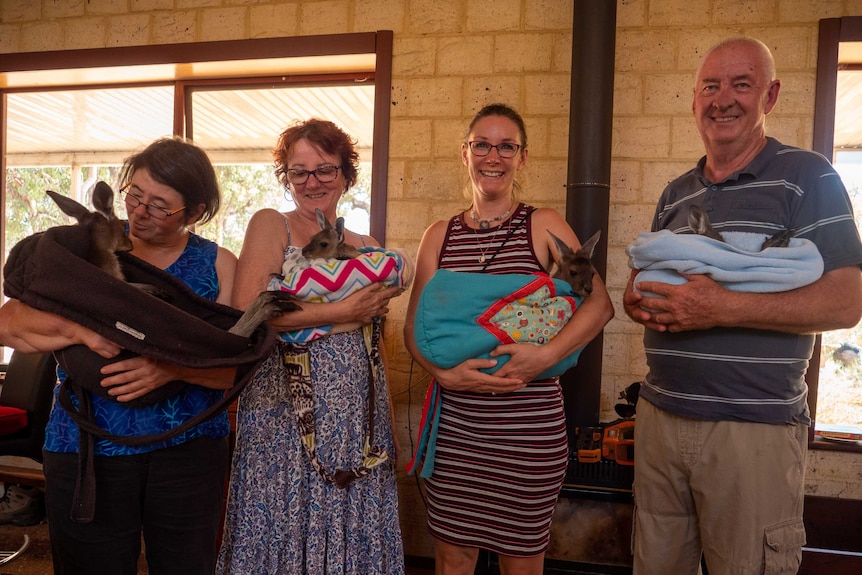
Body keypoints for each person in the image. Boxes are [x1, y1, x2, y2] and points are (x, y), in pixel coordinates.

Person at [623, 37, 862, 575]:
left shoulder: (808, 176)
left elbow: (847, 302)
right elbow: (643, 281)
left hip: (751, 427)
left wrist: (720, 307)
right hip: (659, 416)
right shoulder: (676, 193)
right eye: (711, 86)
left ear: (770, 96)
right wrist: (639, 299)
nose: (723, 99)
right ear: (694, 100)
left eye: (741, 84)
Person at [0, 136, 241, 574]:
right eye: (135, 195)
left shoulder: (219, 265)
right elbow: (9, 323)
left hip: (187, 449)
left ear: (195, 210)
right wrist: (83, 331)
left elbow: (236, 369)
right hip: (87, 446)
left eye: (160, 205)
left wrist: (168, 368)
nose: (139, 212)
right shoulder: (84, 247)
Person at [403, 103, 615, 575]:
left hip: (527, 431)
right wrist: (443, 371)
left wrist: (544, 358)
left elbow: (599, 306)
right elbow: (413, 328)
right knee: (453, 558)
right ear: (466, 153)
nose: (492, 156)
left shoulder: (543, 225)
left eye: (506, 146)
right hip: (457, 428)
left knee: (521, 561)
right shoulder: (438, 236)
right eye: (482, 144)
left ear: (522, 157)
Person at [216, 118, 405, 574]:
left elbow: (373, 340)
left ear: (346, 174)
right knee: (282, 517)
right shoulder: (272, 225)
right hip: (284, 411)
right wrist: (341, 313)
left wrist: (389, 427)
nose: (312, 182)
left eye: (325, 169)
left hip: (356, 413)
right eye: (298, 171)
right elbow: (250, 312)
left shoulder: (367, 245)